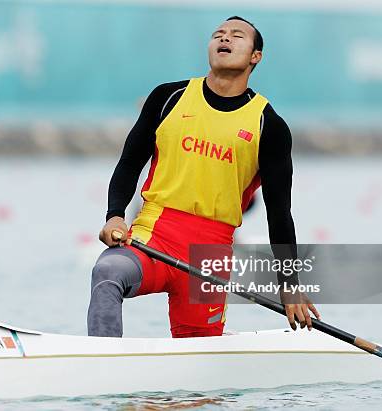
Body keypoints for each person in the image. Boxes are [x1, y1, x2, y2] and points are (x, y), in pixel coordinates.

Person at [88, 16, 320, 338]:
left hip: (209, 256)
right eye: (218, 34)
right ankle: (104, 364)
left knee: (199, 370)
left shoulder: (270, 127)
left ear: (256, 56)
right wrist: (114, 216)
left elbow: (279, 214)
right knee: (108, 271)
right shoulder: (168, 98)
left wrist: (289, 285)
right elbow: (129, 163)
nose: (225, 39)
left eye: (237, 36)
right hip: (154, 234)